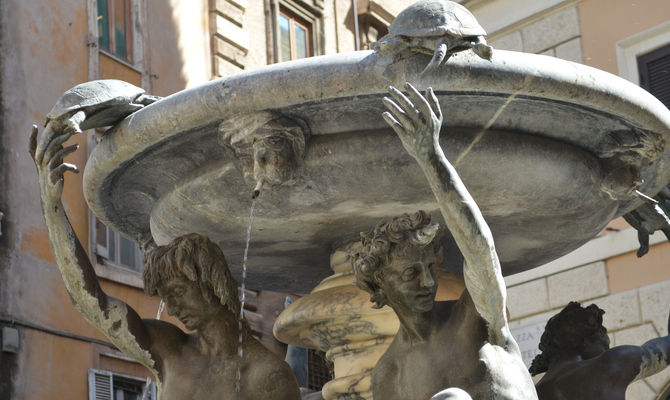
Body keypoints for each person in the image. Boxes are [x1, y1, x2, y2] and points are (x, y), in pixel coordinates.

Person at [29, 122, 300, 400]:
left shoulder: (267, 375)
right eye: (166, 298)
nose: (171, 310)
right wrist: (52, 206)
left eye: (178, 292)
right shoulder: (170, 349)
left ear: (212, 283)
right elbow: (92, 303)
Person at [352, 83, 537, 399]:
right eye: (411, 274)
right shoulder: (388, 374)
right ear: (380, 287)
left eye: (429, 269)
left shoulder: (474, 318)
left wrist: (431, 158)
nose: (428, 282)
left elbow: (481, 250)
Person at [530, 301, 670, 400]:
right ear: (585, 340)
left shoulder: (530, 392)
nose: (605, 352)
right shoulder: (609, 364)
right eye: (604, 346)